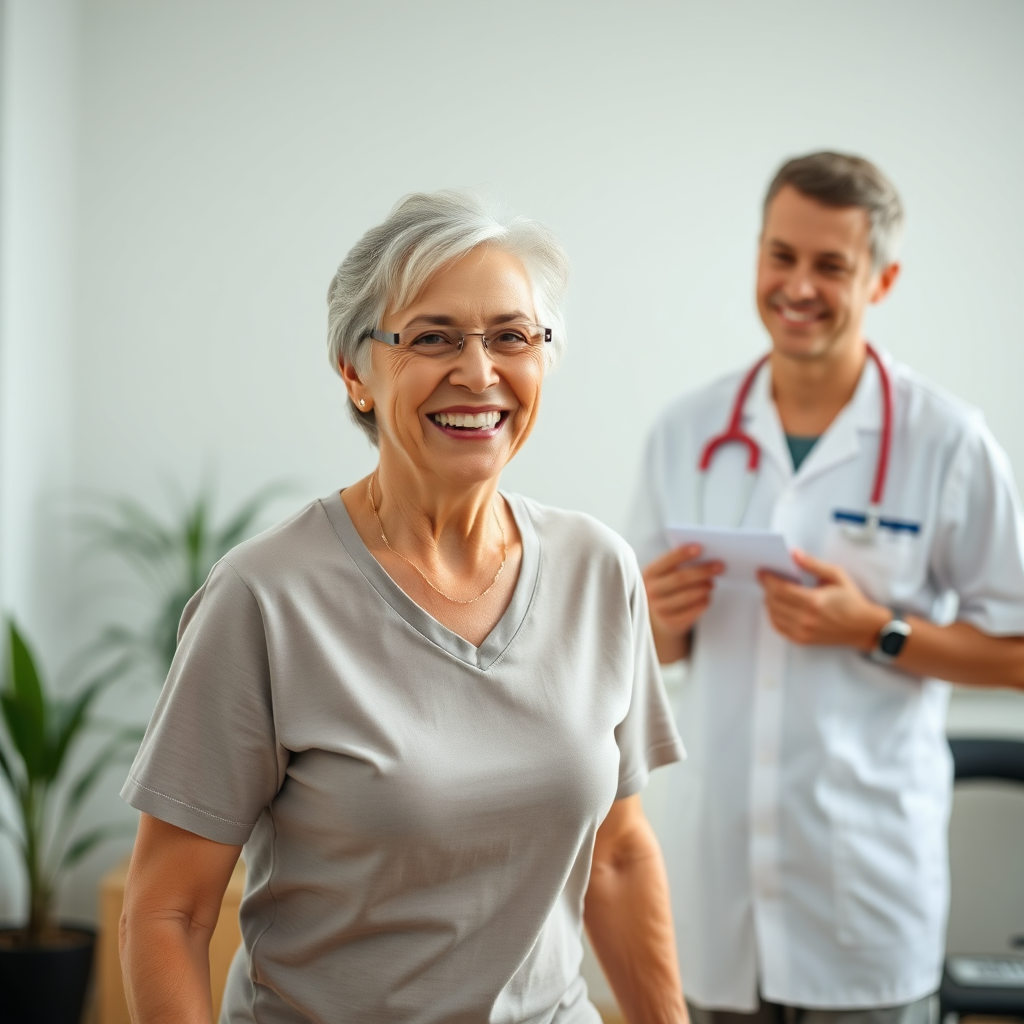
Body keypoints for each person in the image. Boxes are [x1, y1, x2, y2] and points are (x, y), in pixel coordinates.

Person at [119, 188, 688, 1024]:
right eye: (432, 338)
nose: (480, 371)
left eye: (512, 336)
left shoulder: (599, 570)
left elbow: (619, 857)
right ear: (356, 373)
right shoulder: (265, 598)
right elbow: (168, 912)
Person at [628, 152, 1024, 1024]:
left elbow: (1019, 657)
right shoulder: (686, 432)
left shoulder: (949, 443)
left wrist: (875, 628)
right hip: (712, 889)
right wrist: (654, 623)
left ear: (881, 279)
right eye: (781, 256)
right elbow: (642, 657)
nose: (797, 286)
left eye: (830, 266)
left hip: (864, 902)